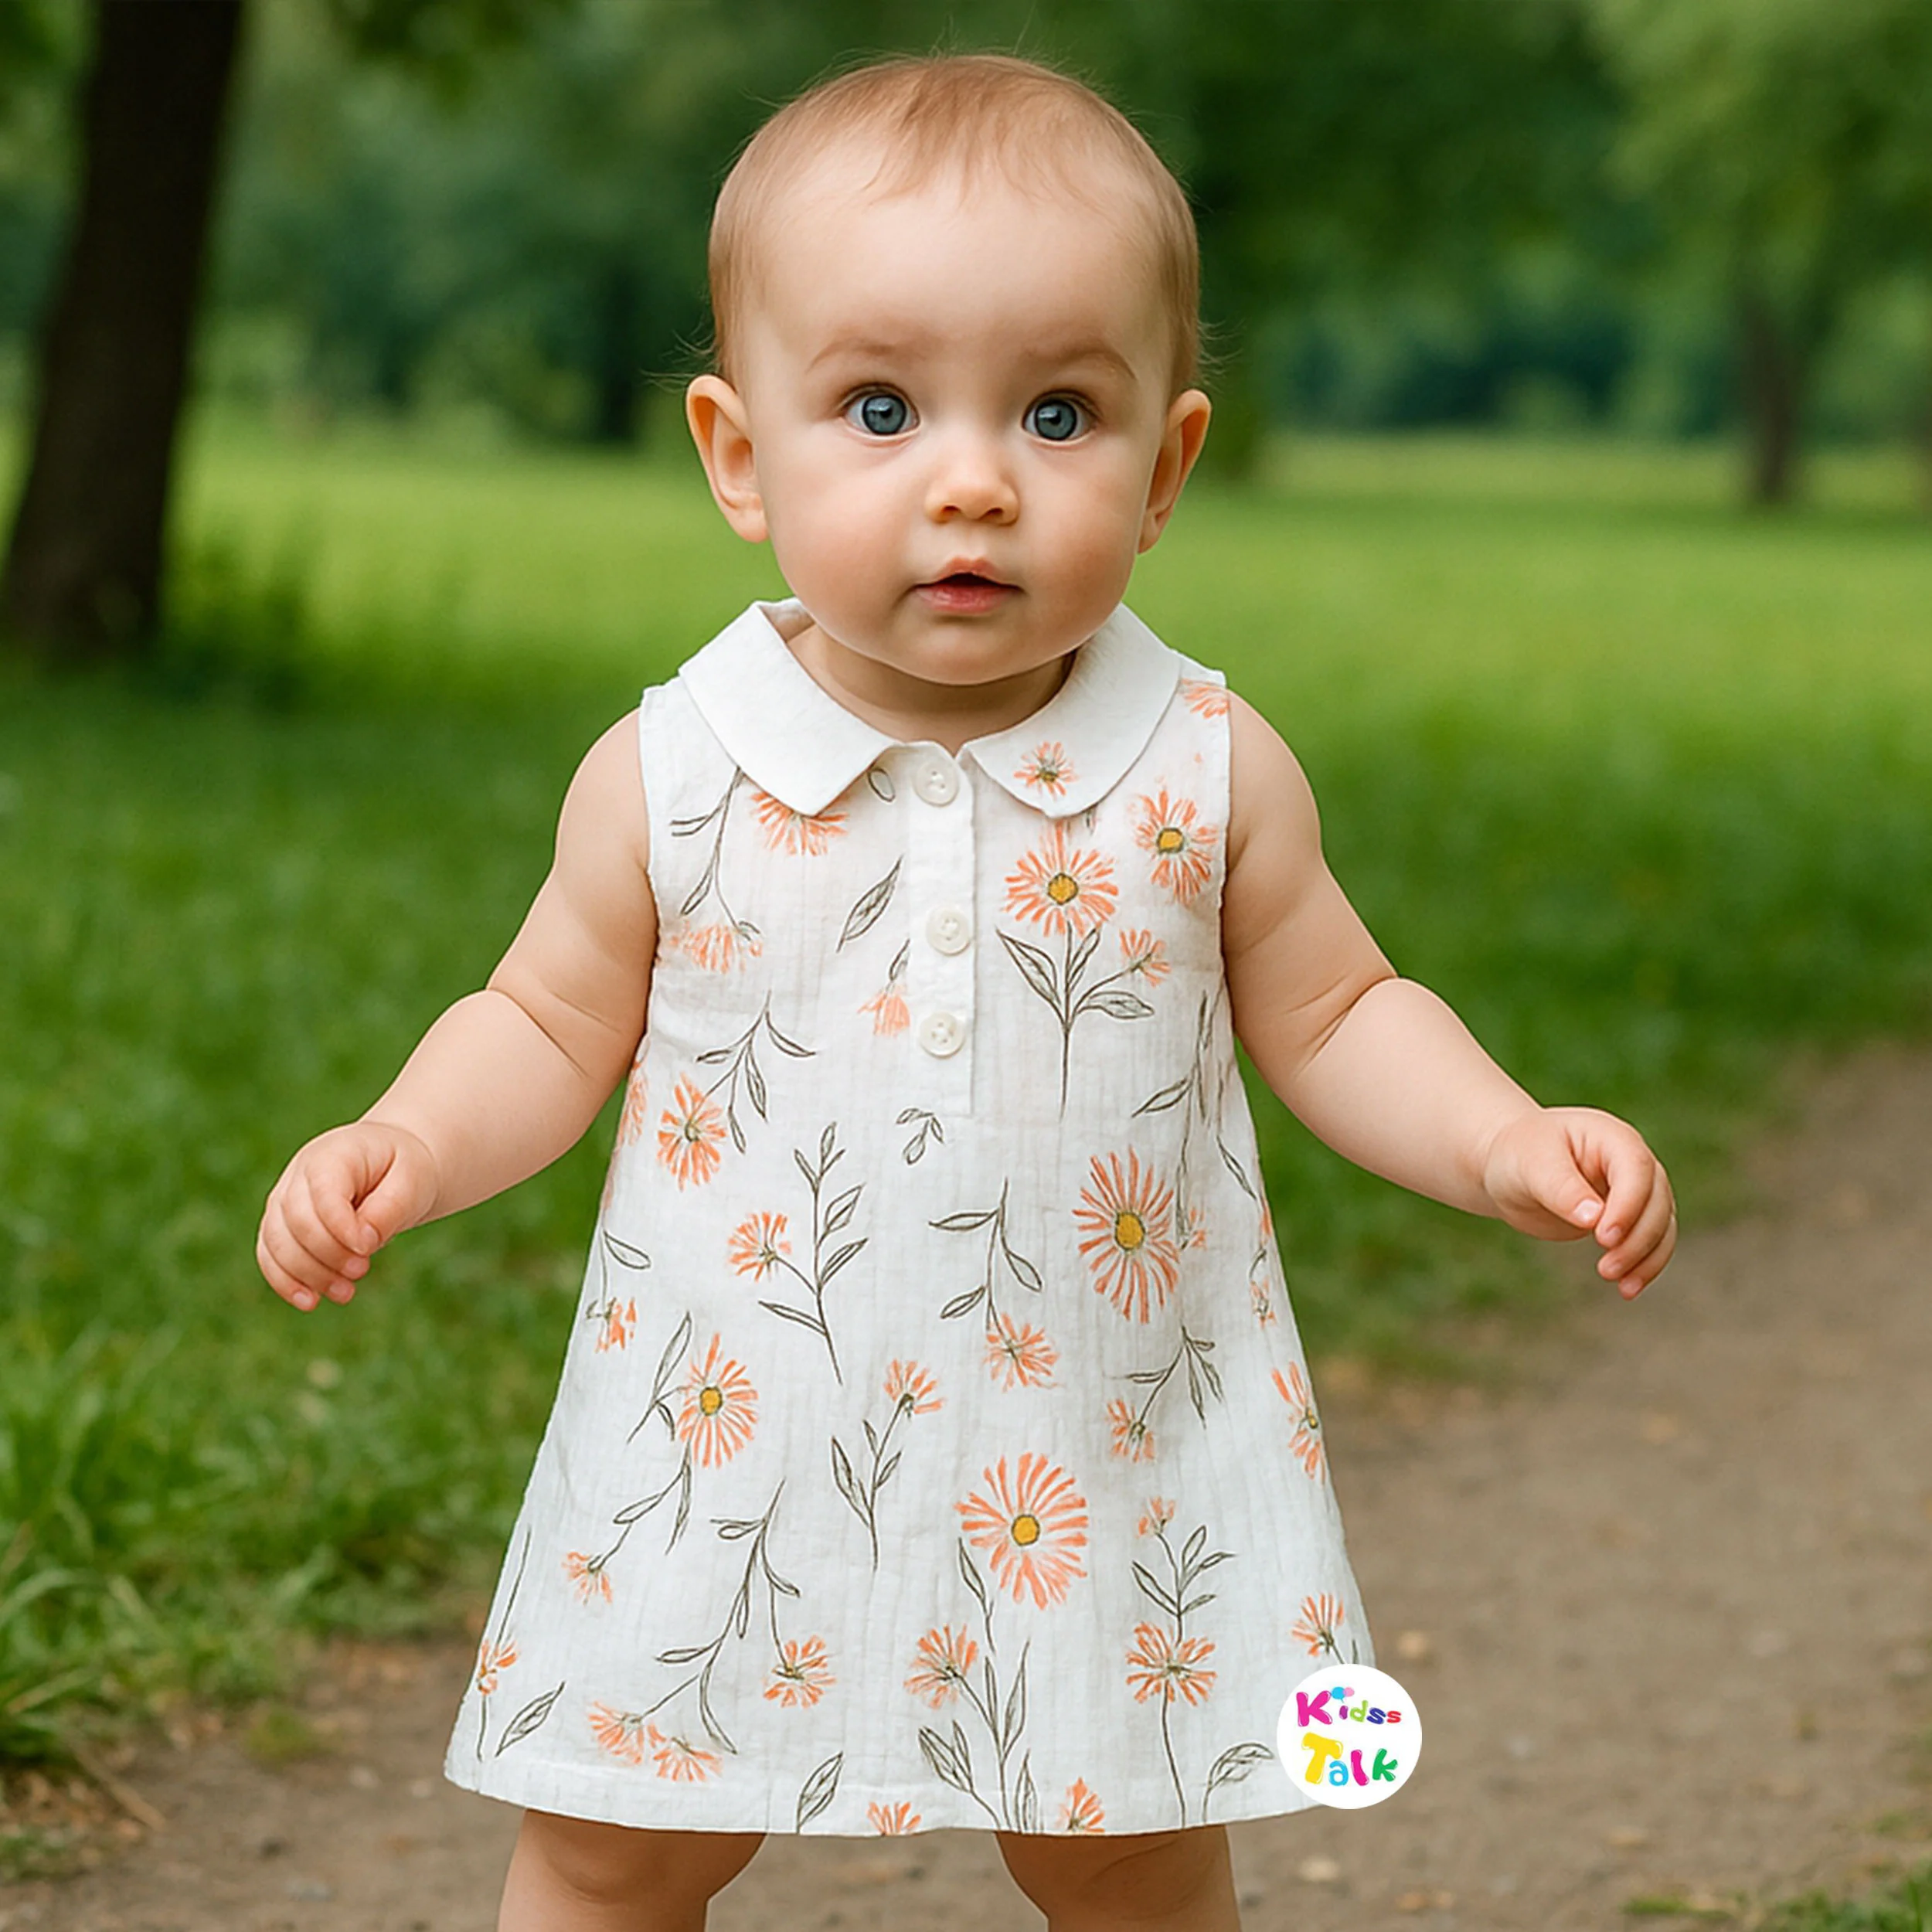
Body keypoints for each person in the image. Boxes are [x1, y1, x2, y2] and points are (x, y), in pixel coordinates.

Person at [255, 50, 1677, 1932]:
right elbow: (537, 1019)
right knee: (612, 1840)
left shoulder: (1202, 763)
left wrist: (1501, 1130)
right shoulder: (675, 770)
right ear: (737, 457)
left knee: (1129, 1839)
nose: (974, 481)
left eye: (1058, 413)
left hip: (1089, 1448)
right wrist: (404, 1142)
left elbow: (1336, 1011)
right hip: (725, 1449)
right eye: (875, 405)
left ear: (1165, 467)